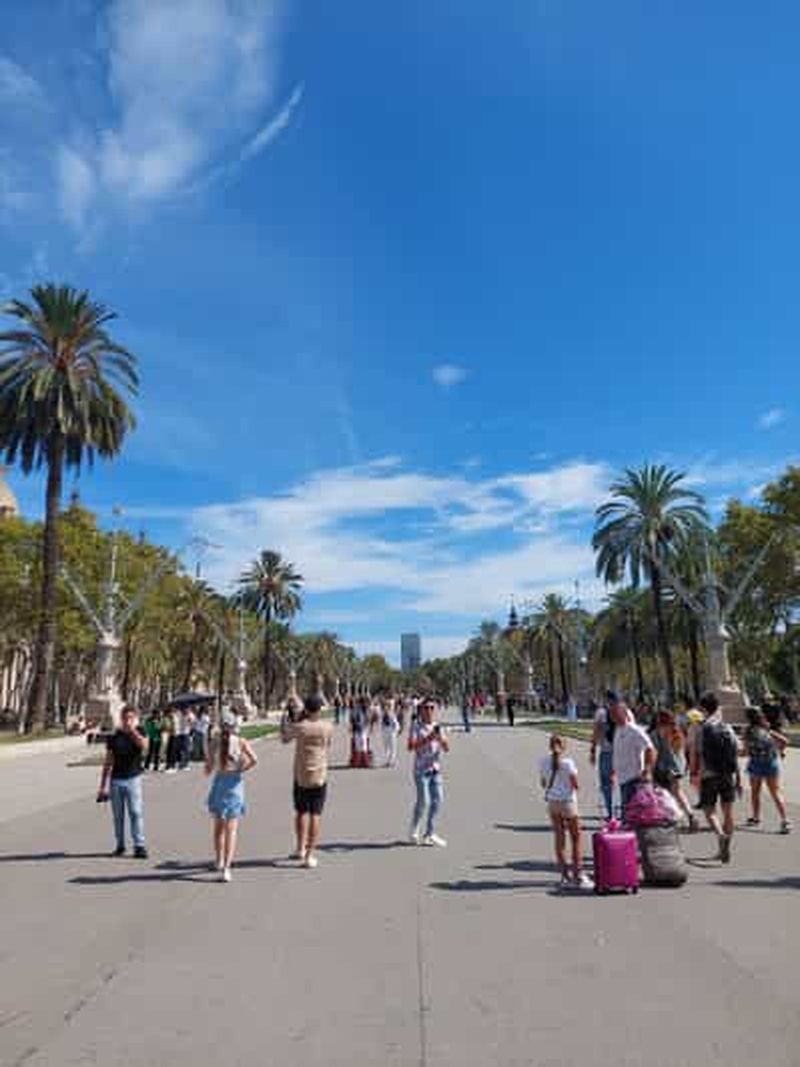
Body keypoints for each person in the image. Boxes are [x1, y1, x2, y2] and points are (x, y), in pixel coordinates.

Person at [281, 695, 334, 868]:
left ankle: (300, 848)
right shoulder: (327, 727)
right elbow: (328, 745)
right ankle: (309, 855)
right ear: (318, 710)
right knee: (315, 814)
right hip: (319, 775)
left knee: (301, 812)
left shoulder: (300, 727)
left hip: (301, 775)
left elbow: (285, 738)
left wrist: (285, 719)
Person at [205, 712, 258, 882]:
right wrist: (241, 769)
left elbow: (209, 767)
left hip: (220, 784)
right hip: (235, 785)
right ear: (234, 725)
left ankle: (219, 860)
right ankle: (227, 868)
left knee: (218, 827)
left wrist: (210, 767)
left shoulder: (214, 741)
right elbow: (254, 759)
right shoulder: (241, 742)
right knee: (231, 829)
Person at [689, 692, 742, 863]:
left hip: (708, 774)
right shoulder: (726, 727)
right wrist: (738, 778)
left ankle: (720, 836)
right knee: (728, 811)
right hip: (727, 774)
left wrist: (694, 773)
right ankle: (725, 848)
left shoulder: (701, 728)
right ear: (717, 707)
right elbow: (736, 752)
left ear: (703, 709)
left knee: (709, 810)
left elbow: (696, 754)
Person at [539, 734, 592, 888]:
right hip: (568, 803)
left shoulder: (543, 762)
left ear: (550, 746)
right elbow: (575, 785)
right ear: (563, 747)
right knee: (576, 839)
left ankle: (564, 876)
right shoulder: (568, 763)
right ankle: (578, 875)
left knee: (559, 839)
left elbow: (543, 783)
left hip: (553, 803)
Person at [96, 705, 149, 858]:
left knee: (136, 812)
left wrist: (132, 731)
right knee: (118, 816)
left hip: (133, 779)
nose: (127, 721)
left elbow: (144, 746)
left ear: (135, 719)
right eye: (125, 718)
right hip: (116, 780)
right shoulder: (114, 736)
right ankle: (120, 845)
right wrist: (103, 785)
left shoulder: (140, 731)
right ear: (121, 718)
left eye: (130, 718)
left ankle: (139, 845)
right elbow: (108, 761)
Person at [408, 699, 449, 846]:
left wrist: (441, 740)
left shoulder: (438, 727)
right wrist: (428, 738)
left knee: (438, 801)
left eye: (432, 707)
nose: (430, 710)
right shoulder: (416, 727)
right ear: (421, 710)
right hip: (420, 770)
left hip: (435, 770)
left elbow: (446, 748)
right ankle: (414, 827)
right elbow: (410, 746)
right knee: (423, 801)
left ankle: (429, 833)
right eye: (426, 708)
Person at [742, 707, 791, 833]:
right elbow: (785, 741)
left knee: (755, 792)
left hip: (756, 764)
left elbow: (745, 751)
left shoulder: (748, 731)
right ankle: (785, 820)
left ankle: (756, 817)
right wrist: (780, 751)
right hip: (771, 763)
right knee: (775, 792)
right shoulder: (767, 728)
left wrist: (734, 753)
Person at [609, 696, 655, 820]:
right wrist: (613, 772)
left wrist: (647, 769)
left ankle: (633, 837)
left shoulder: (634, 730)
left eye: (614, 713)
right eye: (611, 713)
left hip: (633, 778)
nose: (612, 716)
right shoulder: (618, 730)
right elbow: (617, 752)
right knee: (628, 815)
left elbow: (650, 748)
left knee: (629, 815)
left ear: (624, 713)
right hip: (622, 778)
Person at [651, 709, 698, 831]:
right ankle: (690, 815)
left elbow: (655, 753)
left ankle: (672, 818)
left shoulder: (657, 733)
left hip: (663, 768)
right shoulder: (677, 731)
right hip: (677, 768)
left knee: (663, 794)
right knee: (678, 793)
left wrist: (651, 770)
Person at [589, 693, 617, 820]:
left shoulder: (601, 712)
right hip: (622, 752)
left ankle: (611, 813)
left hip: (607, 751)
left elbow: (596, 732)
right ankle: (622, 812)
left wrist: (593, 750)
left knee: (606, 782)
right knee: (622, 782)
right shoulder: (625, 711)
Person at [381, 698, 400, 767]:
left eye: (387, 706)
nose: (385, 707)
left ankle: (392, 761)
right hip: (385, 731)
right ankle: (388, 761)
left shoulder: (392, 714)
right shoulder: (383, 713)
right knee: (386, 746)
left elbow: (396, 724)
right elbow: (382, 723)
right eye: (385, 706)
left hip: (391, 731)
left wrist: (396, 731)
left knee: (393, 747)